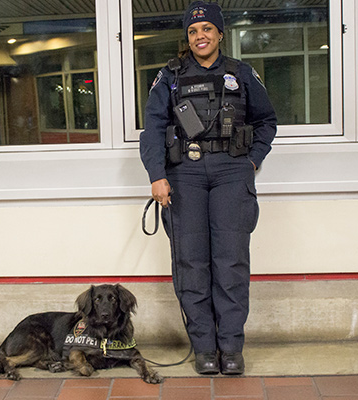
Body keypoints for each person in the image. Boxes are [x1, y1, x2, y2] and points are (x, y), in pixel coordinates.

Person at [139, 1, 277, 375]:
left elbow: (267, 121)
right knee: (191, 263)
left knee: (230, 262)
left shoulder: (242, 73)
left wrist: (252, 160)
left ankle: (231, 347)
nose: (200, 36)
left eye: (207, 30)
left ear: (219, 34)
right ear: (188, 38)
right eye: (193, 31)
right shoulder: (168, 77)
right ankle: (204, 348)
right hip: (184, 175)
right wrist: (157, 174)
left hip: (232, 173)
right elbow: (151, 130)